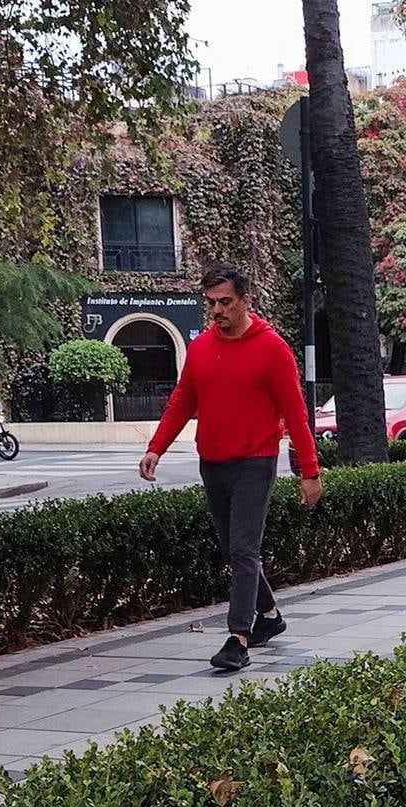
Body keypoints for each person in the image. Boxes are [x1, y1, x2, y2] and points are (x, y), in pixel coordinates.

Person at [139, 265, 322, 672]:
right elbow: (182, 400)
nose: (217, 310)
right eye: (211, 303)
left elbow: (296, 413)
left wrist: (309, 472)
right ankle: (270, 616)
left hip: (255, 462)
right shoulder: (202, 348)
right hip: (213, 464)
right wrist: (156, 448)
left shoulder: (272, 349)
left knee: (243, 550)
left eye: (225, 302)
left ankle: (238, 638)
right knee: (233, 549)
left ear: (244, 301)